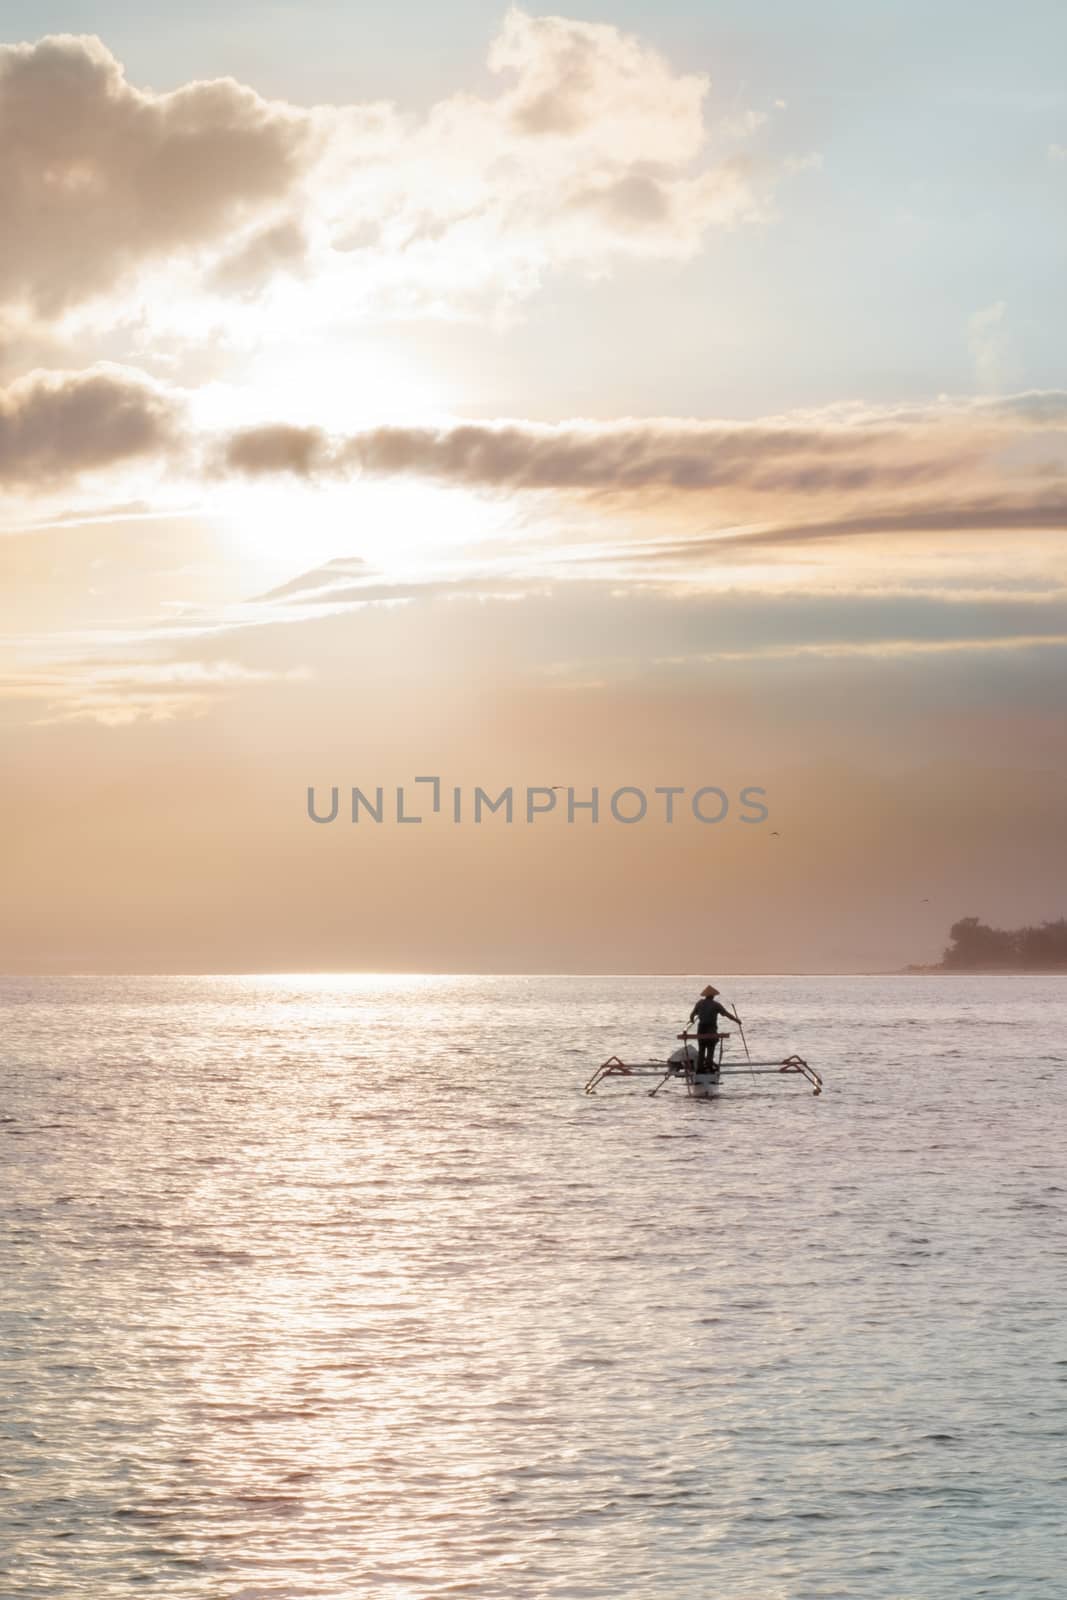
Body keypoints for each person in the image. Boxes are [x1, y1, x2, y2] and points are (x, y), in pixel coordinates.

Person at [688, 985, 740, 1073]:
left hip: (701, 1029)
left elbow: (692, 1015)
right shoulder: (716, 1005)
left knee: (701, 1049)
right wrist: (737, 1020)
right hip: (711, 1029)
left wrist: (692, 1020)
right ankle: (709, 1066)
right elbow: (726, 1014)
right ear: (713, 996)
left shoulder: (699, 1003)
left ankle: (700, 1069)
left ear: (705, 996)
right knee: (710, 1048)